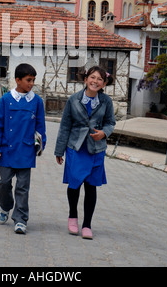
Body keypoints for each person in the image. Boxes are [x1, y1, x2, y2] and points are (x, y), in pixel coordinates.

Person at [54, 66, 115, 240]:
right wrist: (59, 150)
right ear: (86, 79)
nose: (95, 81)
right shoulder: (73, 100)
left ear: (103, 83)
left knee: (91, 186)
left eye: (100, 79)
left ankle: (87, 224)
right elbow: (65, 126)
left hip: (96, 149)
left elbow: (111, 123)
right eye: (93, 77)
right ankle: (72, 216)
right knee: (74, 184)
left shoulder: (106, 101)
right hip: (76, 148)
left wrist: (104, 133)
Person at [0, 63, 46, 235]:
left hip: (26, 150)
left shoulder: (37, 101)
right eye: (28, 80)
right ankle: (5, 206)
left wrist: (40, 145)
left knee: (22, 187)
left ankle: (21, 219)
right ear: (17, 80)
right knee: (4, 183)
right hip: (5, 150)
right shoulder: (6, 99)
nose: (31, 83)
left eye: (33, 80)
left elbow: (40, 127)